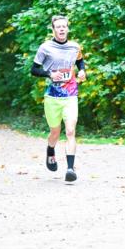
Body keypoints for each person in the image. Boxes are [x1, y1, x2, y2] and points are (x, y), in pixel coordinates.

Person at [30, 14, 86, 182]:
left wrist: (82, 71)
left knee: (70, 131)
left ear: (68, 28)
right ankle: (50, 150)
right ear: (53, 30)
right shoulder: (45, 47)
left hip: (70, 94)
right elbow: (34, 70)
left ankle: (70, 169)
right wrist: (49, 73)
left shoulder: (74, 47)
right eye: (58, 27)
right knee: (55, 131)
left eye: (64, 26)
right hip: (52, 96)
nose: (62, 29)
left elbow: (80, 61)